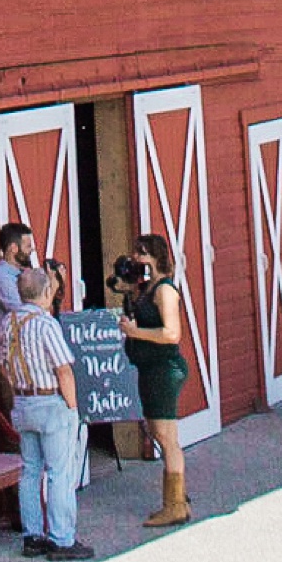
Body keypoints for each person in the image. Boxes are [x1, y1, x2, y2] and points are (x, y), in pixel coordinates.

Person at [0, 264, 82, 557]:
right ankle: (62, 538)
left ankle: (32, 535)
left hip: (23, 400)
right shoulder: (45, 324)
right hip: (50, 401)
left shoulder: (8, 323)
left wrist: (18, 388)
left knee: (30, 470)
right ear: (45, 292)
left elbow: (2, 363)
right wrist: (72, 406)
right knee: (59, 472)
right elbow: (64, 370)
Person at [113, 227, 192, 530]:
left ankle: (174, 503)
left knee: (166, 435)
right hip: (150, 367)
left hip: (163, 367)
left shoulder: (165, 291)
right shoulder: (148, 289)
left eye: (142, 253)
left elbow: (171, 333)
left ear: (156, 257)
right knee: (160, 433)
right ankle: (177, 498)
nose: (137, 258)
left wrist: (135, 333)